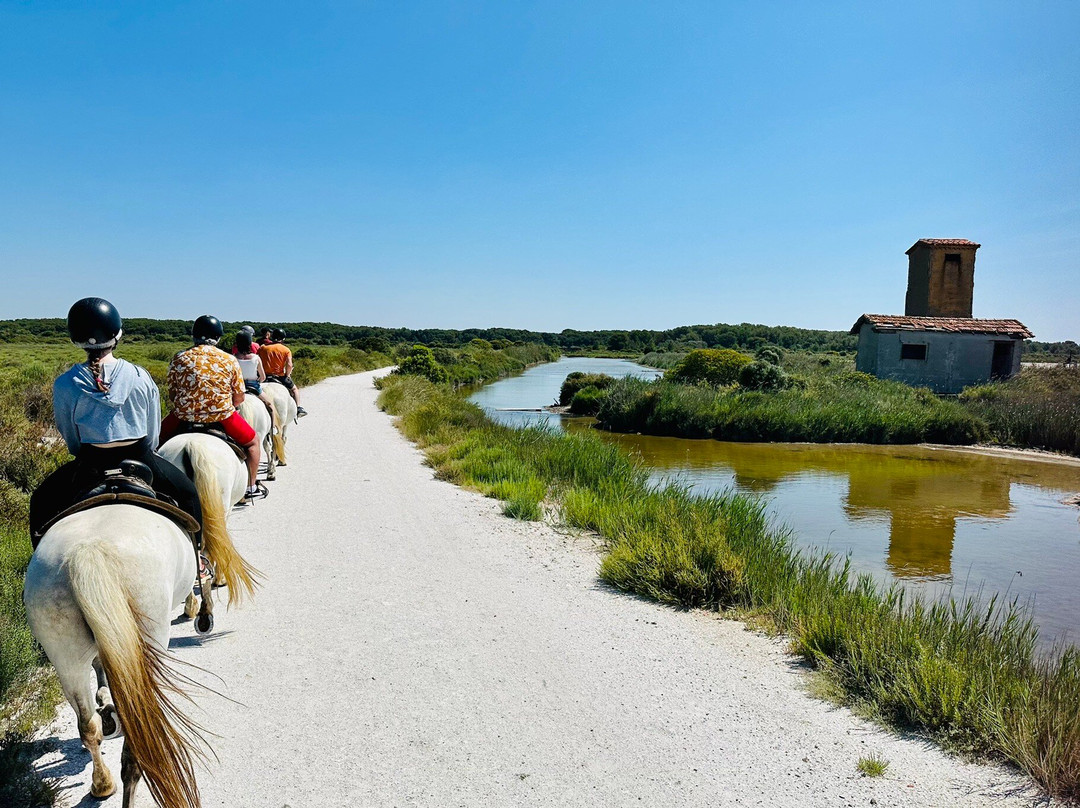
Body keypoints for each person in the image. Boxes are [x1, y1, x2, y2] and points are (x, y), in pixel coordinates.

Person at [29, 298, 203, 548]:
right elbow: (152, 431)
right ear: (117, 334)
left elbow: (69, 435)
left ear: (74, 338)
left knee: (41, 501)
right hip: (141, 457)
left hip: (90, 462)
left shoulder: (65, 383)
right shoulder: (141, 376)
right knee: (188, 494)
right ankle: (200, 561)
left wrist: (83, 453)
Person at [159, 315, 268, 501]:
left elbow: (172, 394)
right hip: (222, 417)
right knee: (253, 443)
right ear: (218, 337)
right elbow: (240, 397)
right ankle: (250, 486)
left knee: (154, 442)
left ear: (194, 335)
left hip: (182, 416)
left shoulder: (178, 357)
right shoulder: (228, 359)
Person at [260, 328, 307, 416]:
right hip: (279, 376)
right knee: (294, 389)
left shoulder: (263, 348)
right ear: (283, 338)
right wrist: (287, 375)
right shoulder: (286, 349)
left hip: (264, 376)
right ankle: (298, 409)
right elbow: (289, 364)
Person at [234, 330, 276, 421]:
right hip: (253, 386)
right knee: (269, 404)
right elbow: (263, 377)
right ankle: (273, 429)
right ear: (250, 343)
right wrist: (258, 382)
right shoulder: (256, 357)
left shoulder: (232, 357)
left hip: (237, 387)